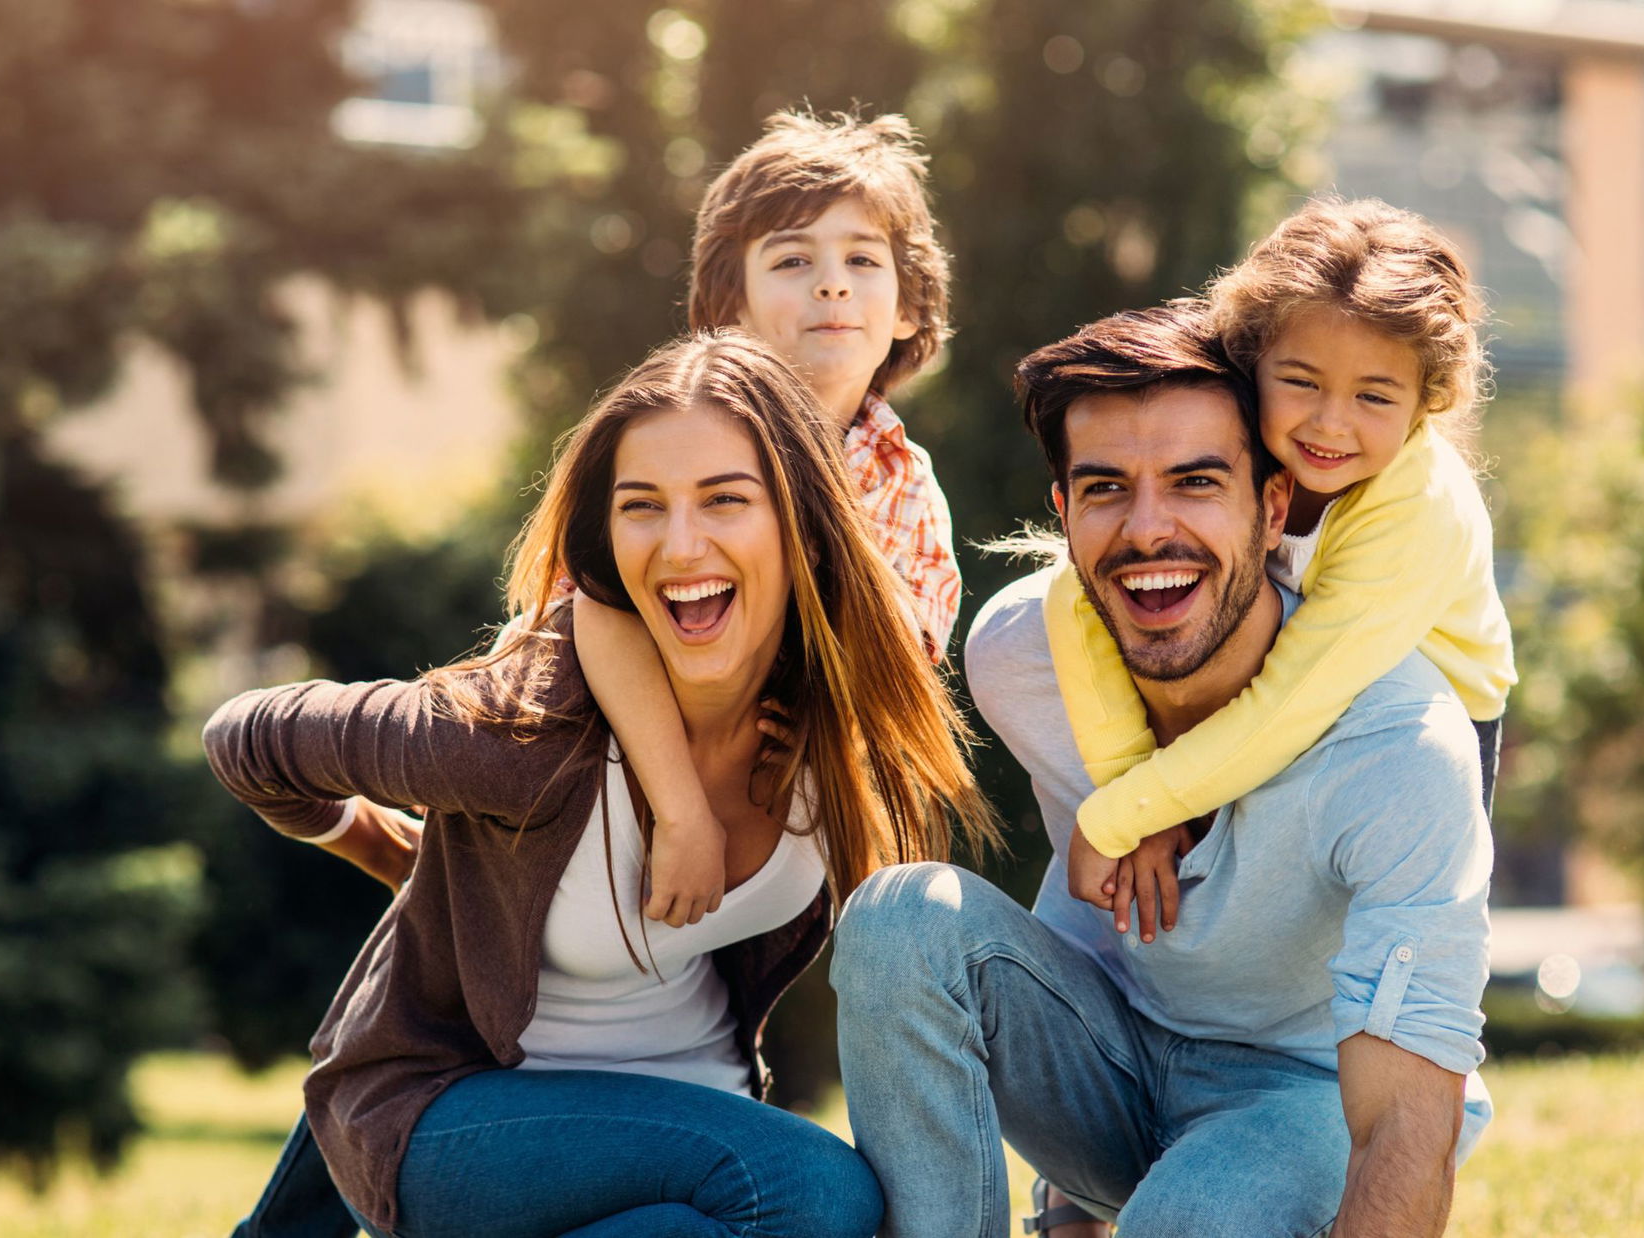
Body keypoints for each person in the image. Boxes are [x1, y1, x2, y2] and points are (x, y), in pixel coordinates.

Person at [207, 331, 997, 1237]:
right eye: (642, 507)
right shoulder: (523, 734)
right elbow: (245, 739)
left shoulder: (830, 727)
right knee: (814, 1191)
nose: (681, 544)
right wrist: (387, 848)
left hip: (680, 1141)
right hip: (459, 1122)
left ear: (803, 524)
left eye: (726, 500)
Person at [831, 302, 1494, 1238]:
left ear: (1271, 509)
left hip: (1307, 1097)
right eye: (1105, 488)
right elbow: (1080, 910)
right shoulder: (1023, 662)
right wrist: (1064, 1207)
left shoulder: (1397, 742)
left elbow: (1403, 1119)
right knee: (900, 918)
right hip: (1117, 1064)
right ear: (1062, 514)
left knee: (1194, 1220)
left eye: (1193, 482)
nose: (1148, 531)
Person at [1049, 197, 1516, 945]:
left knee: (1349, 938)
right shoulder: (1237, 432)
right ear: (1251, 358)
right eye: (1301, 382)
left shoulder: (1419, 511)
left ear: (1426, 402)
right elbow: (1071, 595)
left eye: (1374, 396)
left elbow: (1290, 702)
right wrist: (1132, 787)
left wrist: (1121, 815)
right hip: (1274, 681)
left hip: (1409, 721)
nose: (1329, 424)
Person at [578, 109, 964, 933]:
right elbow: (590, 608)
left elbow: (894, 680)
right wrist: (682, 811)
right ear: (733, 307)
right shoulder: (674, 439)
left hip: (777, 818)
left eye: (862, 259)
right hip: (602, 766)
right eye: (793, 260)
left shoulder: (905, 490)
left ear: (906, 307)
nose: (832, 283)